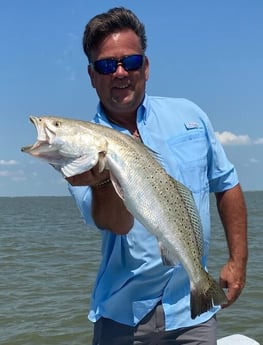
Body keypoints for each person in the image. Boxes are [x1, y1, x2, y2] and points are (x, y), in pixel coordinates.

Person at [67, 7, 248, 345]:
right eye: (107, 65)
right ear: (92, 75)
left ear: (146, 68)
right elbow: (115, 224)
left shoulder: (189, 116)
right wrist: (103, 177)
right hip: (124, 317)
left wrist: (238, 262)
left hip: (192, 311)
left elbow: (227, 184)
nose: (120, 72)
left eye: (130, 62)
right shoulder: (84, 147)